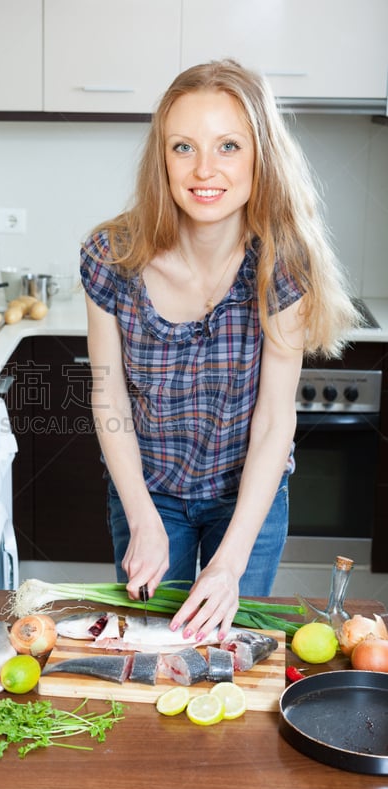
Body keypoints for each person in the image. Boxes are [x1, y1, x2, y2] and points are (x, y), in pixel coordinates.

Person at [79, 59, 359, 642]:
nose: (204, 169)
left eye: (228, 145)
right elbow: (109, 394)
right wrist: (141, 516)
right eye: (184, 147)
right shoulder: (112, 256)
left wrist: (229, 564)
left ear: (261, 157)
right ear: (163, 158)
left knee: (228, 649)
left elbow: (275, 419)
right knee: (155, 650)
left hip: (248, 498)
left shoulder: (282, 264)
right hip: (148, 489)